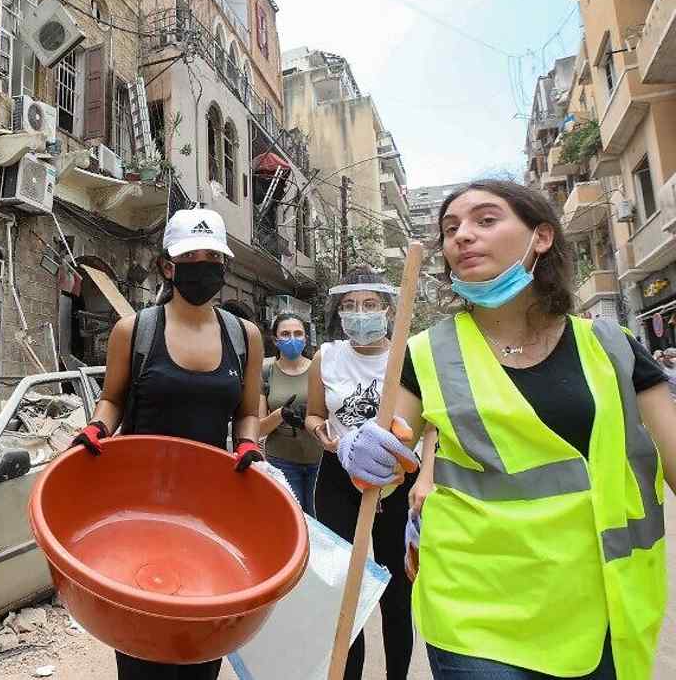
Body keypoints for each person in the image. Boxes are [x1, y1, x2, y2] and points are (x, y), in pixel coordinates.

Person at [338, 179, 676, 679]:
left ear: (541, 236)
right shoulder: (425, 354)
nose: (462, 236)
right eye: (450, 228)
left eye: (486, 220)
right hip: (473, 610)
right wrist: (361, 453)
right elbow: (383, 471)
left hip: (600, 602)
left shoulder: (614, 347)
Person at [70, 207, 266, 680]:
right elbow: (112, 399)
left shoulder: (245, 337)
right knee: (140, 644)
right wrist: (96, 429)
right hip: (139, 509)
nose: (204, 266)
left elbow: (247, 409)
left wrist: (247, 445)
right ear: (167, 266)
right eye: (191, 256)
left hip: (208, 513)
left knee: (201, 641)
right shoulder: (134, 330)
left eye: (212, 257)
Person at [304, 267, 417, 680]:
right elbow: (316, 414)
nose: (359, 313)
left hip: (393, 479)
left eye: (370, 305)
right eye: (350, 306)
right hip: (338, 478)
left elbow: (431, 423)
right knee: (344, 588)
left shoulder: (408, 356)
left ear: (388, 310)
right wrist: (324, 436)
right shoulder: (327, 357)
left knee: (396, 591)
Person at [258, 312, 319, 514]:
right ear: (275, 339)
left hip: (320, 462)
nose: (292, 339)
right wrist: (280, 415)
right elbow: (257, 428)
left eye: (298, 333)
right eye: (285, 334)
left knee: (322, 527)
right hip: (282, 462)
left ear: (305, 338)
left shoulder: (320, 369)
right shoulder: (265, 371)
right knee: (292, 519)